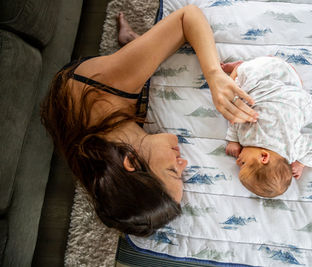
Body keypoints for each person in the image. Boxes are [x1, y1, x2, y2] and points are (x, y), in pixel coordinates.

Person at [40, 6, 258, 236]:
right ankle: (132, 42)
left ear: (131, 162)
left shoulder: (110, 89)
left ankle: (133, 44)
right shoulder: (111, 167)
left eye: (172, 171)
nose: (183, 164)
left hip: (92, 82)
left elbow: (188, 16)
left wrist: (214, 76)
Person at [222, 56, 312, 198]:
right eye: (243, 163)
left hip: (291, 86)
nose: (237, 161)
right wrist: (233, 140)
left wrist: (300, 161)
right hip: (262, 81)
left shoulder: (293, 151)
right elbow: (236, 119)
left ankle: (244, 68)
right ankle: (238, 67)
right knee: (231, 98)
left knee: (295, 86)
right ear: (263, 157)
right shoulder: (249, 138)